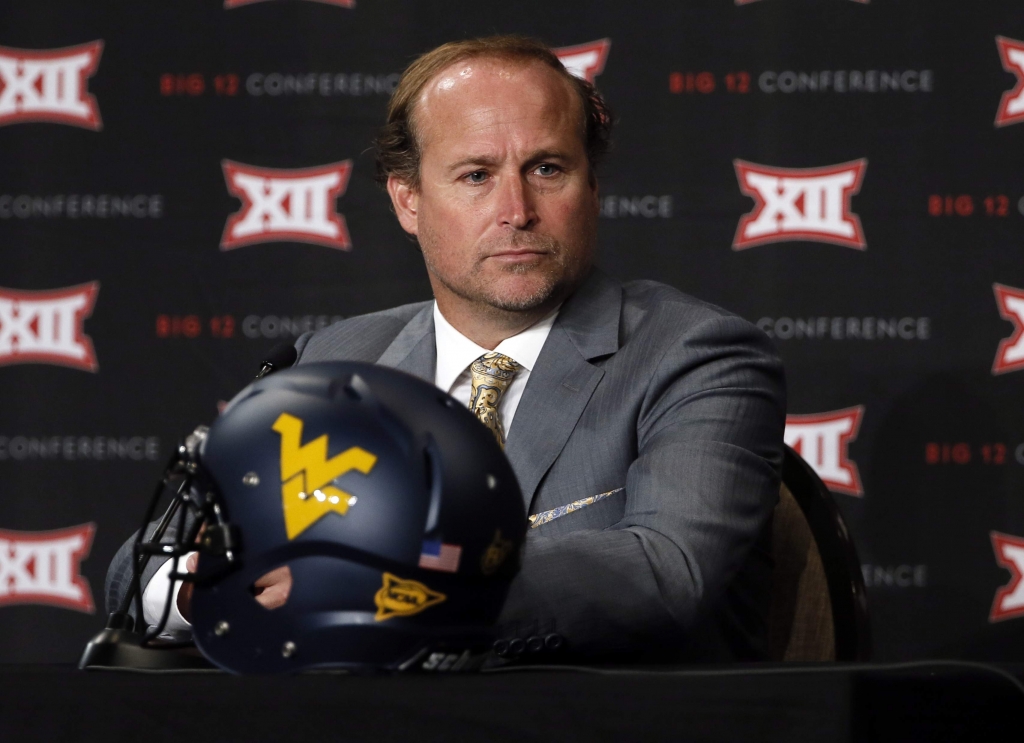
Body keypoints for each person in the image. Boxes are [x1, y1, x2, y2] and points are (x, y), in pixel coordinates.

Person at [107, 35, 786, 662]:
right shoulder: (334, 359)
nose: (517, 208)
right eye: (475, 175)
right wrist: (202, 587)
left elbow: (669, 569)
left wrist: (369, 587)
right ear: (407, 200)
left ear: (593, 187)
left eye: (547, 168)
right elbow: (145, 564)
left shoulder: (694, 353)